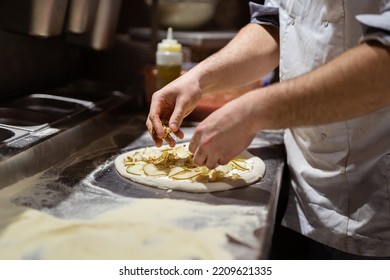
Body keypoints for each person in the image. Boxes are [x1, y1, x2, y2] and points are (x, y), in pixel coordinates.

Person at [146, 0, 390, 259]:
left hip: (375, 196)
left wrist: (255, 111)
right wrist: (197, 79)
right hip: (302, 190)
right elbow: (274, 25)